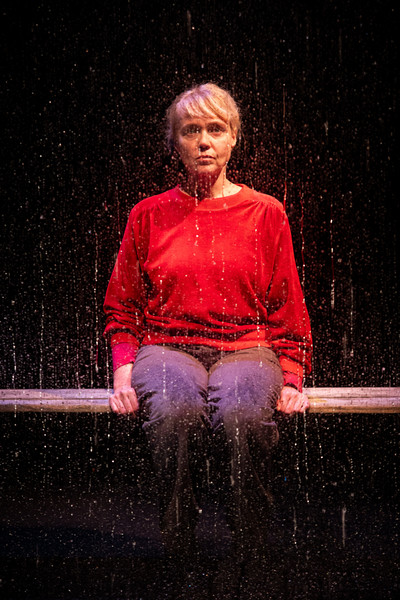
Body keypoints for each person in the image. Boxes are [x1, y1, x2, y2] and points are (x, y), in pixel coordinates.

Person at [103, 82, 312, 598]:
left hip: (246, 347)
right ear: (174, 142)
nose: (203, 141)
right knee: (175, 413)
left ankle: (247, 553)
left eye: (215, 129)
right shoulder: (148, 214)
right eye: (190, 130)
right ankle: (181, 551)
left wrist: (292, 375)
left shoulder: (266, 212)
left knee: (242, 417)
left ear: (233, 137)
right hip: (168, 346)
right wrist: (124, 369)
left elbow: (287, 303)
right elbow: (122, 304)